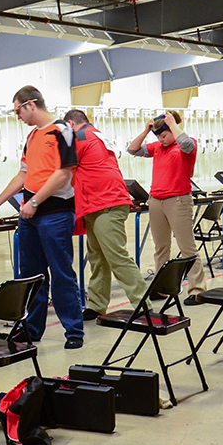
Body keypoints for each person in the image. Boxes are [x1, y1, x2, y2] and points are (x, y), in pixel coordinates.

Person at [0, 87, 85, 348]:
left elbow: (64, 173)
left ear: (30, 104)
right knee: (31, 275)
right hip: (30, 215)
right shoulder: (31, 136)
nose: (18, 115)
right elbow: (23, 174)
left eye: (17, 109)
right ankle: (32, 328)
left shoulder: (62, 130)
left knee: (61, 273)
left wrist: (35, 201)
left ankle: (73, 331)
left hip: (55, 213)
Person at [63, 109, 148, 319]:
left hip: (106, 202)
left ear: (71, 124)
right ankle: (97, 304)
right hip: (97, 203)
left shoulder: (81, 136)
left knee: (116, 256)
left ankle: (142, 304)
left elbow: (62, 167)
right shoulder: (96, 134)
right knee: (98, 258)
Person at [127, 110, 205, 306]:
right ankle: (162, 287)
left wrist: (173, 125)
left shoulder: (187, 144)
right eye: (158, 136)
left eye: (164, 135)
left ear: (172, 130)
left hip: (178, 201)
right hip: (156, 201)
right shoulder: (157, 148)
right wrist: (146, 130)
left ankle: (197, 288)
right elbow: (133, 149)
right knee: (161, 248)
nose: (161, 139)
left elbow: (187, 144)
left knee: (187, 247)